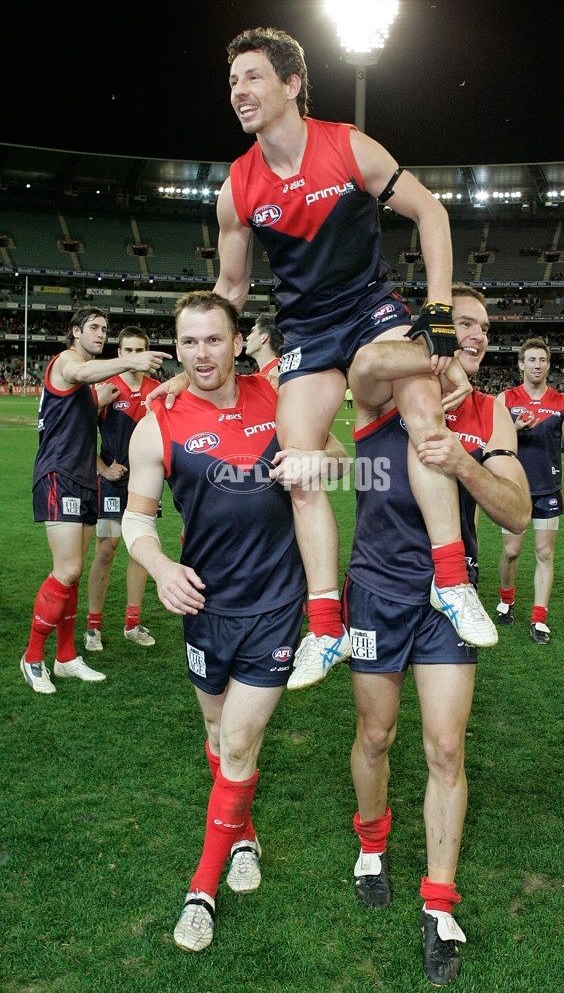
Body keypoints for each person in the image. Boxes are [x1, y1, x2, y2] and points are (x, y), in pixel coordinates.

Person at [153, 26, 497, 690]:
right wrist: (190, 360)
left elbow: (430, 213)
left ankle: (451, 582)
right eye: (231, 82)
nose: (238, 91)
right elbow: (228, 289)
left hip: (370, 305)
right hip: (307, 327)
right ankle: (326, 626)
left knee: (424, 409)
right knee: (297, 462)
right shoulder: (238, 187)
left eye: (251, 77)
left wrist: (435, 317)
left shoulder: (347, 146)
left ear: (291, 84)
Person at [122, 290, 346, 952]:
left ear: (236, 339)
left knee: (241, 742)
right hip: (203, 607)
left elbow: (340, 456)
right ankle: (242, 829)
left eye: (213, 339)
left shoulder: (279, 400)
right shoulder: (157, 421)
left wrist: (313, 459)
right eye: (189, 342)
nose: (202, 353)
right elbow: (137, 519)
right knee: (220, 736)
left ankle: (201, 889)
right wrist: (162, 567)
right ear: (178, 345)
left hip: (275, 606)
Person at [345, 286, 531, 986]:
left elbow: (516, 511)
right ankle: (371, 841)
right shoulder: (383, 386)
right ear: (433, 328)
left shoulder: (491, 412)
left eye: (484, 323)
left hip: (446, 598)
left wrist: (460, 460)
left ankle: (439, 901)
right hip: (374, 589)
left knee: (447, 745)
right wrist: (428, 360)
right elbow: (360, 360)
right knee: (376, 736)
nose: (476, 333)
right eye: (462, 321)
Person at [21, 307, 171, 694]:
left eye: (104, 328)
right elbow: (82, 372)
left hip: (86, 481)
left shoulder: (91, 387)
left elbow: (88, 390)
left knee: (73, 572)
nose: (100, 333)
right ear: (75, 332)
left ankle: (67, 657)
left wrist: (97, 399)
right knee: (68, 570)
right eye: (93, 328)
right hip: (60, 476)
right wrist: (129, 361)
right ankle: (33, 657)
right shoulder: (68, 361)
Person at [496, 338, 564, 644]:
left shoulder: (563, 403)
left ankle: (538, 619)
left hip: (549, 488)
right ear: (521, 364)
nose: (537, 365)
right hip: (514, 488)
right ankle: (506, 600)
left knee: (544, 552)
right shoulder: (504, 399)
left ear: (548, 365)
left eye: (542, 360)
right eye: (531, 360)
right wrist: (514, 429)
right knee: (511, 551)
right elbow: (491, 443)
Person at [84, 326, 162, 653]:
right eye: (127, 350)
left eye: (138, 350)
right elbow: (80, 435)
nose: (133, 356)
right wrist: (103, 469)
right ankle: (93, 627)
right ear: (119, 354)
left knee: (140, 550)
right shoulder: (106, 388)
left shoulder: (157, 390)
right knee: (107, 547)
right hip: (111, 481)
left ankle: (132, 623)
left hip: (145, 483)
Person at [243, 313, 283, 389]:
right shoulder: (265, 373)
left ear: (264, 337)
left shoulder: (276, 372)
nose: (248, 337)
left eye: (253, 331)